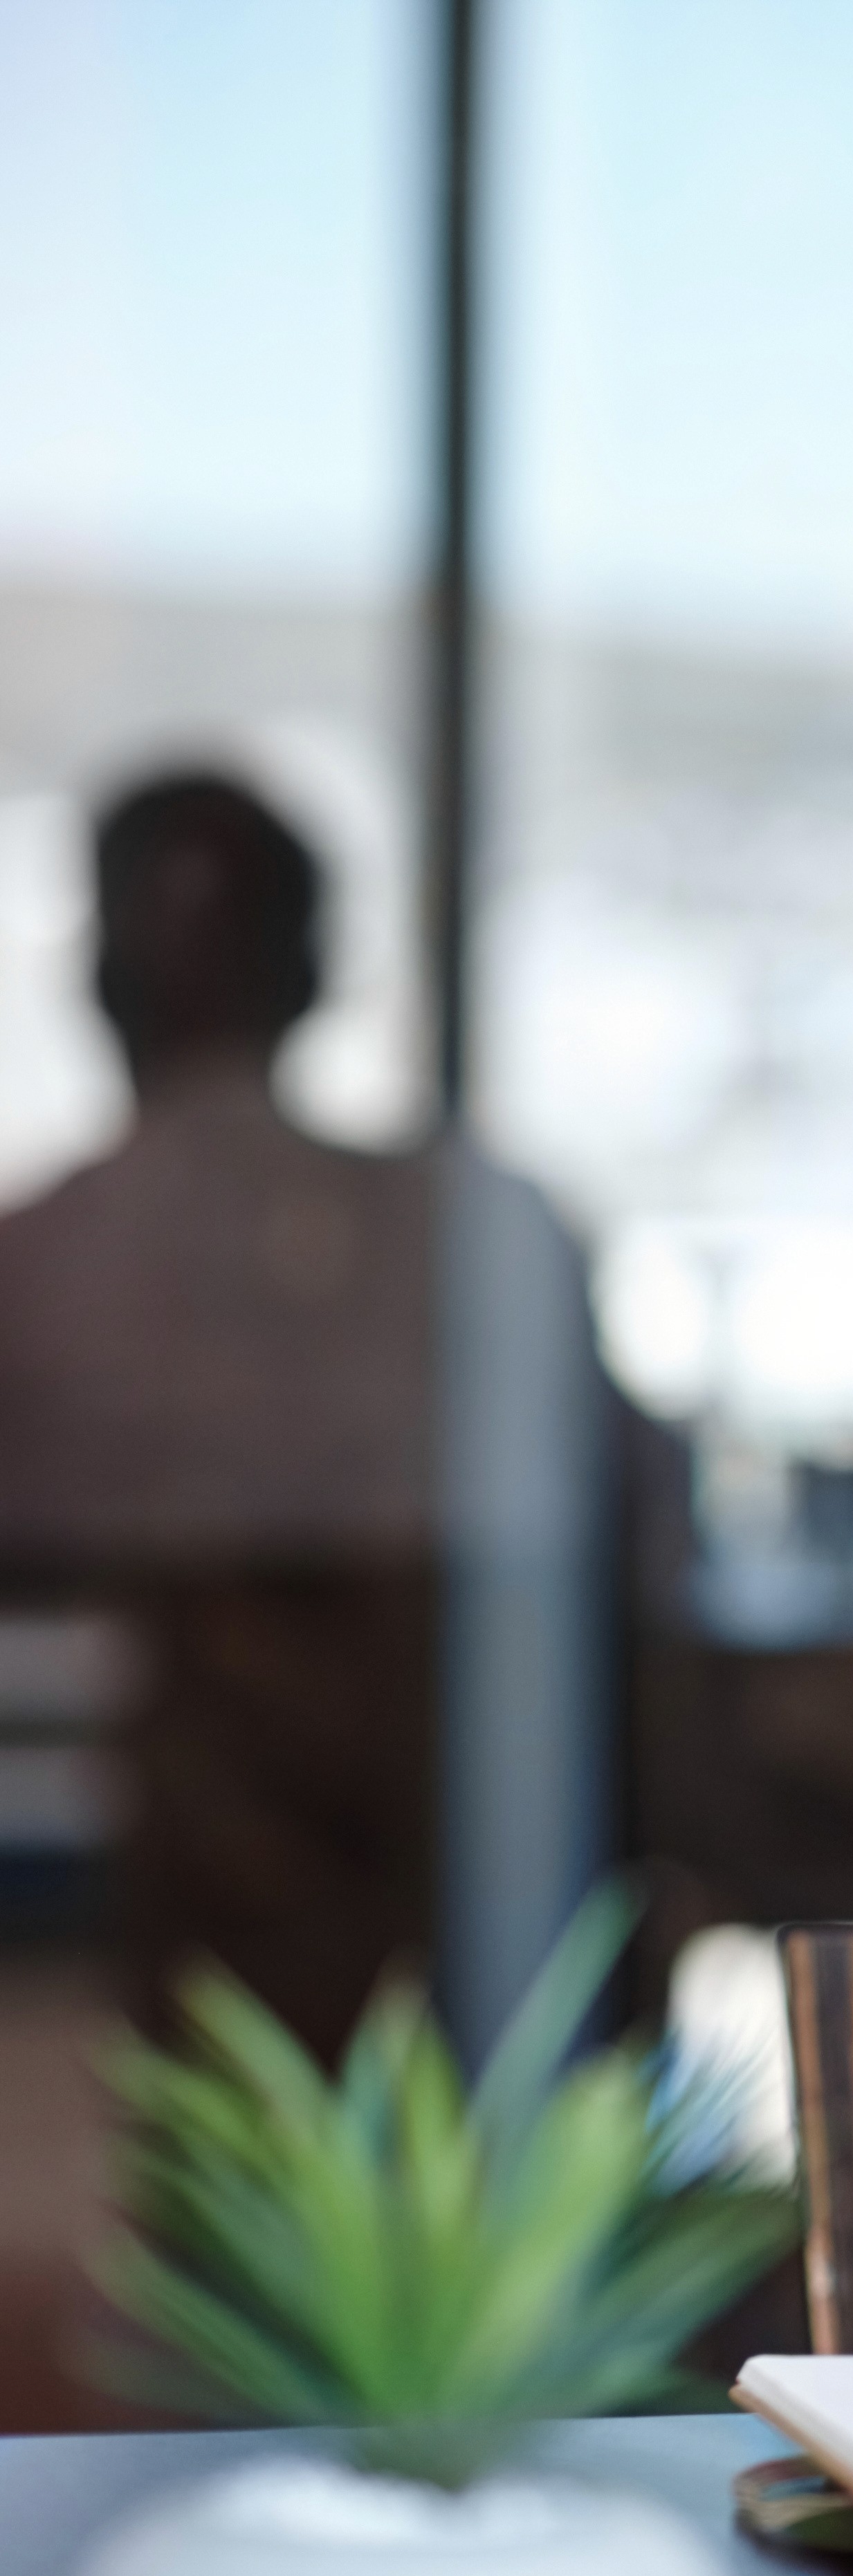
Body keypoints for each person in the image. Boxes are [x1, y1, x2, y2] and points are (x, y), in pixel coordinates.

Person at [0, 770, 439, 2049]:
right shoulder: (464, 1253)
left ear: (95, 980)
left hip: (83, 2018)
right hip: (442, 1986)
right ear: (311, 973)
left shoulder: (38, 1267)